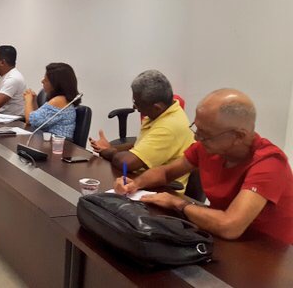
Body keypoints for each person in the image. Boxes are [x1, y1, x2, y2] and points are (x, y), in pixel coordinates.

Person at [114, 89, 293, 244]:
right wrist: (135, 184)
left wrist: (178, 203)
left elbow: (230, 226)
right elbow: (165, 172)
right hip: (220, 235)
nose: (196, 138)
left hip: (267, 252)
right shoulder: (207, 147)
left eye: (205, 134)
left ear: (239, 135)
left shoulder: (269, 163)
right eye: (196, 128)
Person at [90, 70, 194, 188]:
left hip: (162, 191)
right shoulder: (160, 114)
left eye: (137, 103)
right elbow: (141, 145)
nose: (134, 107)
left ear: (157, 107)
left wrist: (110, 153)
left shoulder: (169, 127)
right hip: (141, 181)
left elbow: (126, 164)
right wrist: (111, 147)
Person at [24, 63, 80, 138]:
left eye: (46, 80)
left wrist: (28, 99)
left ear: (55, 84)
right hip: (48, 142)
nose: (42, 81)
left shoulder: (59, 100)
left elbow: (30, 120)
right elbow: (38, 119)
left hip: (58, 145)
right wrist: (33, 101)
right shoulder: (62, 99)